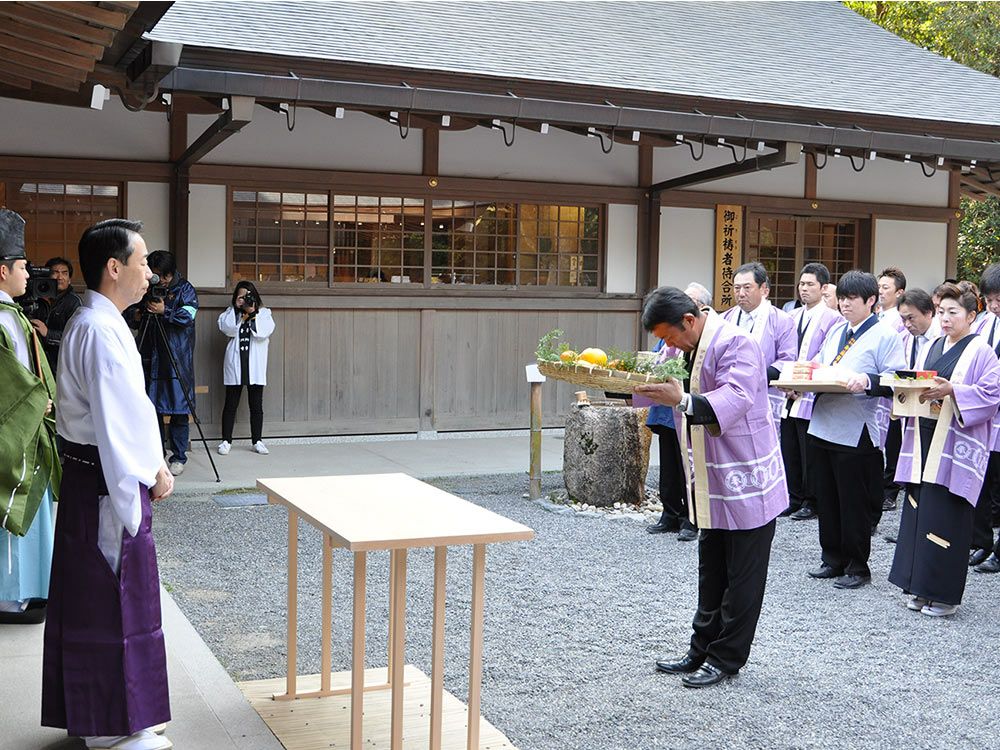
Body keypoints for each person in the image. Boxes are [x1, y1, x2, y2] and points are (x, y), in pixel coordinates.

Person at [42, 219, 174, 750]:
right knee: (113, 599)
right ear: (114, 268)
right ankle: (117, 725)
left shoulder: (96, 321)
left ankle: (104, 718)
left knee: (94, 600)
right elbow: (119, 422)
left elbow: (124, 412)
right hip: (105, 479)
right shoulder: (98, 328)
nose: (150, 273)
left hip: (91, 476)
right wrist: (151, 473)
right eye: (142, 263)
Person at [636, 287, 786, 689]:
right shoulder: (684, 344)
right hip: (709, 473)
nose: (668, 347)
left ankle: (726, 657)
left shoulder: (737, 342)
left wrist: (682, 399)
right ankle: (700, 648)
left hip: (746, 472)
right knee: (712, 567)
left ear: (689, 320)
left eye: (669, 337)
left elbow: (736, 398)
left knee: (743, 576)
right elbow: (656, 379)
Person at [889, 282, 1000, 616]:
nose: (946, 318)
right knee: (919, 511)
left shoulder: (981, 351)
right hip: (924, 437)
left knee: (946, 515)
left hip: (955, 441)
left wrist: (954, 391)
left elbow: (991, 396)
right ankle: (918, 586)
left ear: (971, 315)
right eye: (942, 312)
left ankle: (944, 596)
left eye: (954, 312)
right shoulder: (933, 345)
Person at [806, 270, 905, 589]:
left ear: (871, 300)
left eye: (852, 299)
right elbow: (820, 366)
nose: (844, 304)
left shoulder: (886, 335)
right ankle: (832, 558)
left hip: (857, 427)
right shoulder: (837, 331)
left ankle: (857, 566)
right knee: (827, 498)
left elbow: (897, 379)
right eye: (842, 299)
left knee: (853, 502)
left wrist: (868, 380)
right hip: (824, 422)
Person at [0, 209, 60, 624]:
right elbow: (12, 385)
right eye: (22, 266)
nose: (28, 274)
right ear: (3, 271)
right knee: (12, 506)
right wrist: (40, 402)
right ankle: (9, 597)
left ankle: (25, 591)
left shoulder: (12, 316)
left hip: (25, 426)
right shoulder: (5, 319)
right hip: (15, 432)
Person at [779, 263, 843, 521]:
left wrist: (801, 380)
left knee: (810, 449)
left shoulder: (833, 319)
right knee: (790, 446)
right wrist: (787, 380)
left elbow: (826, 355)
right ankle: (793, 496)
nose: (804, 289)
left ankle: (811, 500)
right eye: (801, 284)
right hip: (789, 389)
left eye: (810, 284)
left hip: (811, 390)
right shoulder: (792, 316)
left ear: (824, 288)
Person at [130, 250, 198, 476]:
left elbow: (187, 317)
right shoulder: (146, 287)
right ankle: (156, 455)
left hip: (176, 357)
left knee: (179, 407)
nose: (160, 280)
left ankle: (178, 457)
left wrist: (164, 310)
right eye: (156, 275)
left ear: (171, 273)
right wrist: (138, 314)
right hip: (150, 354)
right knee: (152, 409)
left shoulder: (185, 289)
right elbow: (130, 312)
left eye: (164, 275)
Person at [721, 261, 796, 431]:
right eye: (737, 288)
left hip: (764, 393)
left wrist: (754, 377)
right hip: (728, 393)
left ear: (764, 289)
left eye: (747, 288)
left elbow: (787, 360)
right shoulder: (724, 319)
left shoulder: (782, 321)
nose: (741, 293)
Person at [217, 281, 274, 456]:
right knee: (230, 404)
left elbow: (263, 332)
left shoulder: (264, 314)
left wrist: (252, 313)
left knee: (256, 405)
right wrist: (239, 312)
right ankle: (226, 441)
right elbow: (227, 329)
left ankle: (257, 440)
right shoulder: (230, 313)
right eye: (240, 297)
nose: (244, 300)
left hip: (254, 366)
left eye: (248, 296)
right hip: (235, 365)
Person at [972, 263, 1000, 573]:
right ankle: (981, 542)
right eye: (989, 299)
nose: (993, 306)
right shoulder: (984, 324)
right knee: (981, 481)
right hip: (984, 415)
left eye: (998, 300)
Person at [29, 256, 82, 373]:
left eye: (64, 273)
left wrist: (48, 333)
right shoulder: (37, 298)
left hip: (61, 366)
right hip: (37, 362)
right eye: (55, 272)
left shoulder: (74, 302)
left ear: (69, 279)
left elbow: (75, 338)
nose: (60, 277)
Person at [877, 266, 907, 332]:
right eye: (878, 287)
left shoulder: (902, 321)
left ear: (899, 293)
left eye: (885, 288)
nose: (880, 291)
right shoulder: (874, 315)